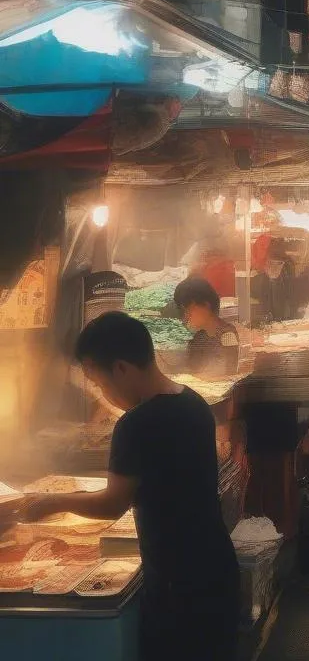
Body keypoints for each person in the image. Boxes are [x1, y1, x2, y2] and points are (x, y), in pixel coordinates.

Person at [23, 312, 239, 661]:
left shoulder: (136, 425)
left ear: (121, 368)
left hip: (176, 585)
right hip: (216, 567)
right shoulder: (193, 402)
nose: (103, 393)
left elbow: (112, 504)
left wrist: (51, 501)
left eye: (100, 384)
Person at [173, 276, 240, 378]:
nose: (186, 316)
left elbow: (228, 372)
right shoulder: (198, 337)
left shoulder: (227, 334)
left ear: (205, 305)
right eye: (185, 311)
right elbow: (191, 368)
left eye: (189, 310)